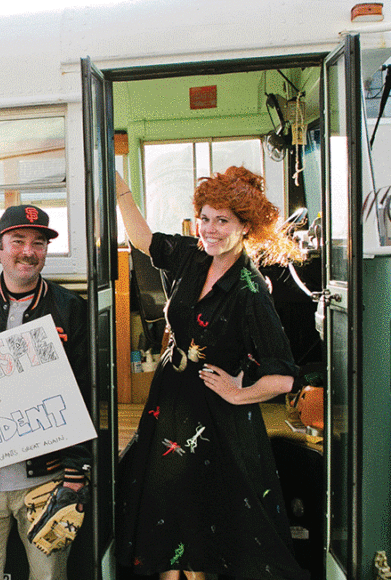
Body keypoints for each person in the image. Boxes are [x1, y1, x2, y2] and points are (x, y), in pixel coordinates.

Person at [115, 167, 306, 580]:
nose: (210, 229)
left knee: (202, 519)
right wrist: (121, 191)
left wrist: (239, 394)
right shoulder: (192, 254)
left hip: (215, 415)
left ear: (245, 227)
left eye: (223, 220)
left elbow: (286, 376)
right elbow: (144, 241)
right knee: (164, 507)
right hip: (169, 399)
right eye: (204, 217)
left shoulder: (250, 289)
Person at [0, 205, 91, 580]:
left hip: (47, 478)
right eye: (18, 241)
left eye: (38, 243)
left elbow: (83, 391)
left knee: (49, 577)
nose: (28, 251)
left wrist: (75, 475)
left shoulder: (71, 308)